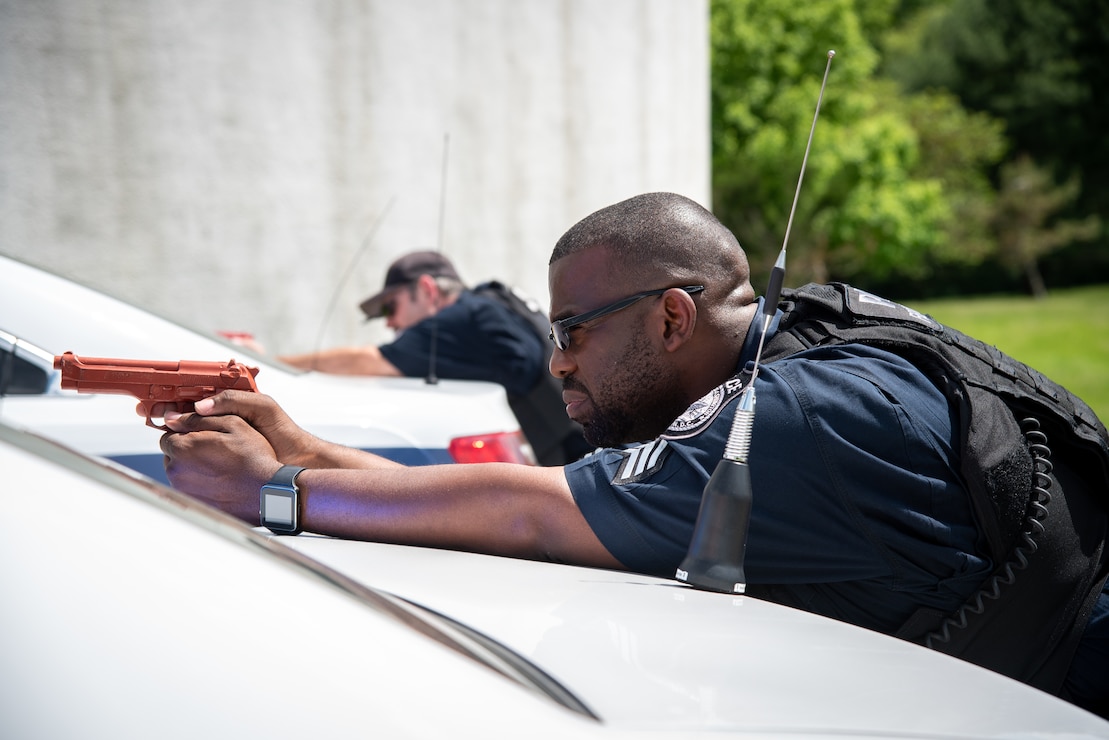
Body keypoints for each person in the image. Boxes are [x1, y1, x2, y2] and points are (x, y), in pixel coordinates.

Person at [158, 192, 1107, 716]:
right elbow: (539, 493)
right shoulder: (817, 342)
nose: (556, 359)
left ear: (670, 316)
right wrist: (303, 446)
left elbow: (536, 516)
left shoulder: (785, 422)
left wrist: (276, 492)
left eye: (571, 328)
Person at [278, 250, 590, 466]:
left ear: (426, 289)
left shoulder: (458, 320)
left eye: (390, 307)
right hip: (590, 446)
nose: (389, 323)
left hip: (578, 458)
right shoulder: (492, 304)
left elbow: (365, 360)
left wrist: (272, 362)